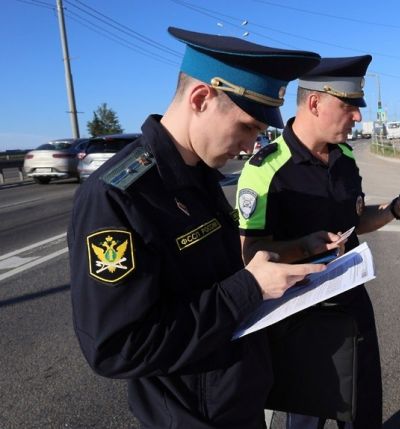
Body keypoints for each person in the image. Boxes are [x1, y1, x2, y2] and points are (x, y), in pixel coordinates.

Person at [67, 27, 327, 429]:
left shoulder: (201, 173)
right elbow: (117, 347)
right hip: (193, 417)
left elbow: (207, 281)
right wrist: (249, 287)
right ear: (201, 99)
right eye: (246, 128)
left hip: (235, 400)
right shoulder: (118, 196)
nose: (248, 147)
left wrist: (263, 270)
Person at [236, 55, 400, 428]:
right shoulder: (265, 169)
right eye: (348, 105)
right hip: (301, 318)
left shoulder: (345, 157)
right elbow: (251, 256)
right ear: (315, 102)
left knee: (364, 410)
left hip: (353, 304)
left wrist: (394, 211)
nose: (356, 116)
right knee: (305, 419)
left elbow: (354, 222)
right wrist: (304, 247)